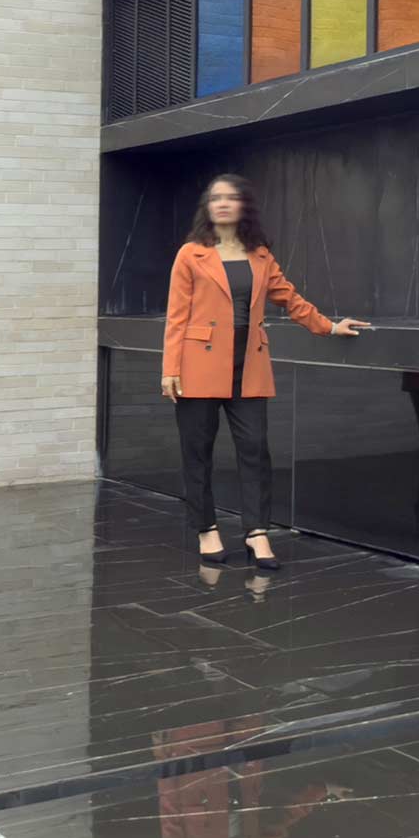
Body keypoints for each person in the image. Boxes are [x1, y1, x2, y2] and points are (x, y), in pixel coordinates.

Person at [160, 174, 369, 563]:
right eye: (215, 197)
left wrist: (329, 326)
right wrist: (170, 368)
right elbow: (177, 315)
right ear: (208, 207)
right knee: (198, 452)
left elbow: (289, 299)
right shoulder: (191, 254)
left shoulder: (260, 255)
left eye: (231, 197)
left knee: (255, 450)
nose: (222, 203)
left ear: (243, 206)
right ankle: (206, 528)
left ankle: (257, 532)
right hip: (197, 365)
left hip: (249, 366)